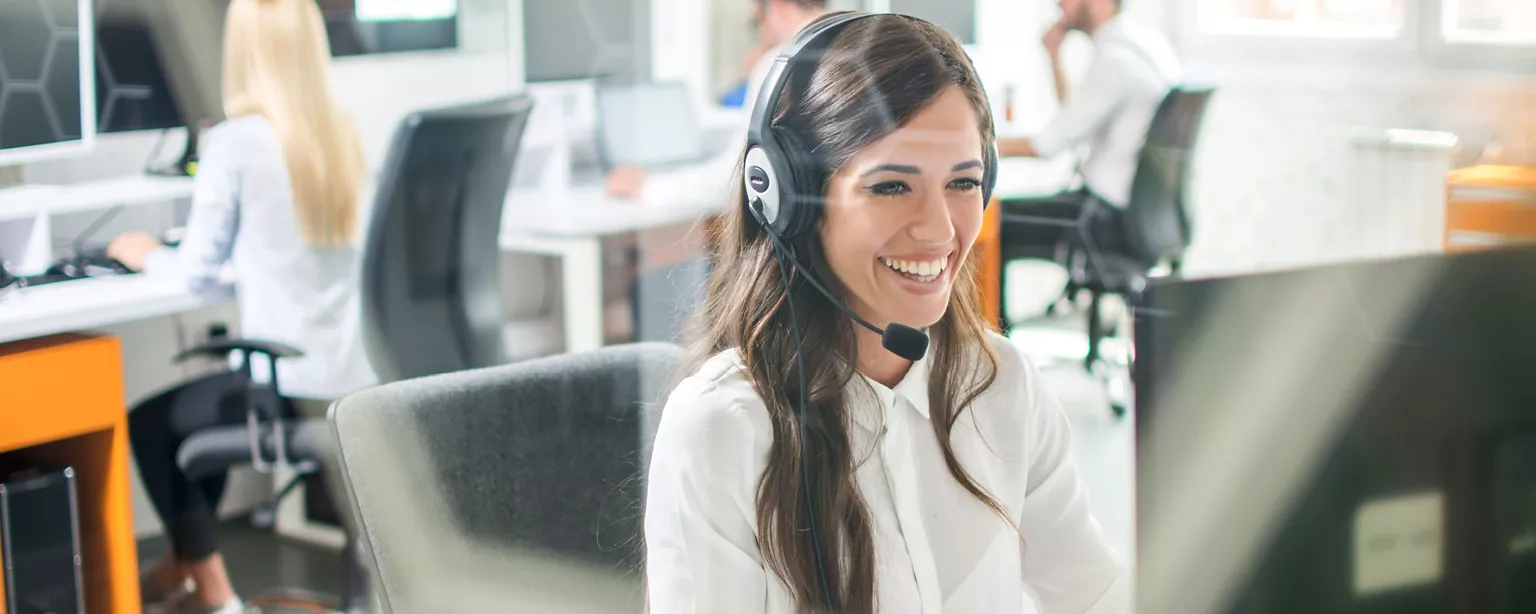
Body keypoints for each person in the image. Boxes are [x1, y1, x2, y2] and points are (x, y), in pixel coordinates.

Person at [644, 12, 1128, 614]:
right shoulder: (724, 428)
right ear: (793, 199)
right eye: (892, 186)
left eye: (963, 182)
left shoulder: (1004, 383)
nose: (940, 229)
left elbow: (1095, 597)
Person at [106, 0, 377, 612]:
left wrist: (148, 252)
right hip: (351, 380)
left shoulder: (233, 143)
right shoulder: (342, 132)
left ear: (243, 54)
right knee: (196, 414)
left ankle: (215, 592)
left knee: (154, 422)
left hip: (282, 384)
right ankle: (185, 561)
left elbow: (197, 278)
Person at [995, 0, 1180, 257]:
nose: (1058, 3)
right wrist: (1054, 56)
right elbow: (1074, 123)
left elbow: (1047, 145)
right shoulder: (1145, 44)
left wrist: (979, 147)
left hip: (1103, 220)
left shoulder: (1116, 60)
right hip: (1142, 218)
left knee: (993, 220)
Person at [605, 0, 829, 202]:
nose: (760, 34)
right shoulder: (854, 46)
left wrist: (650, 187)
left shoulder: (780, 63)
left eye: (755, 22)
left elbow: (738, 175)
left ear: (776, 6)